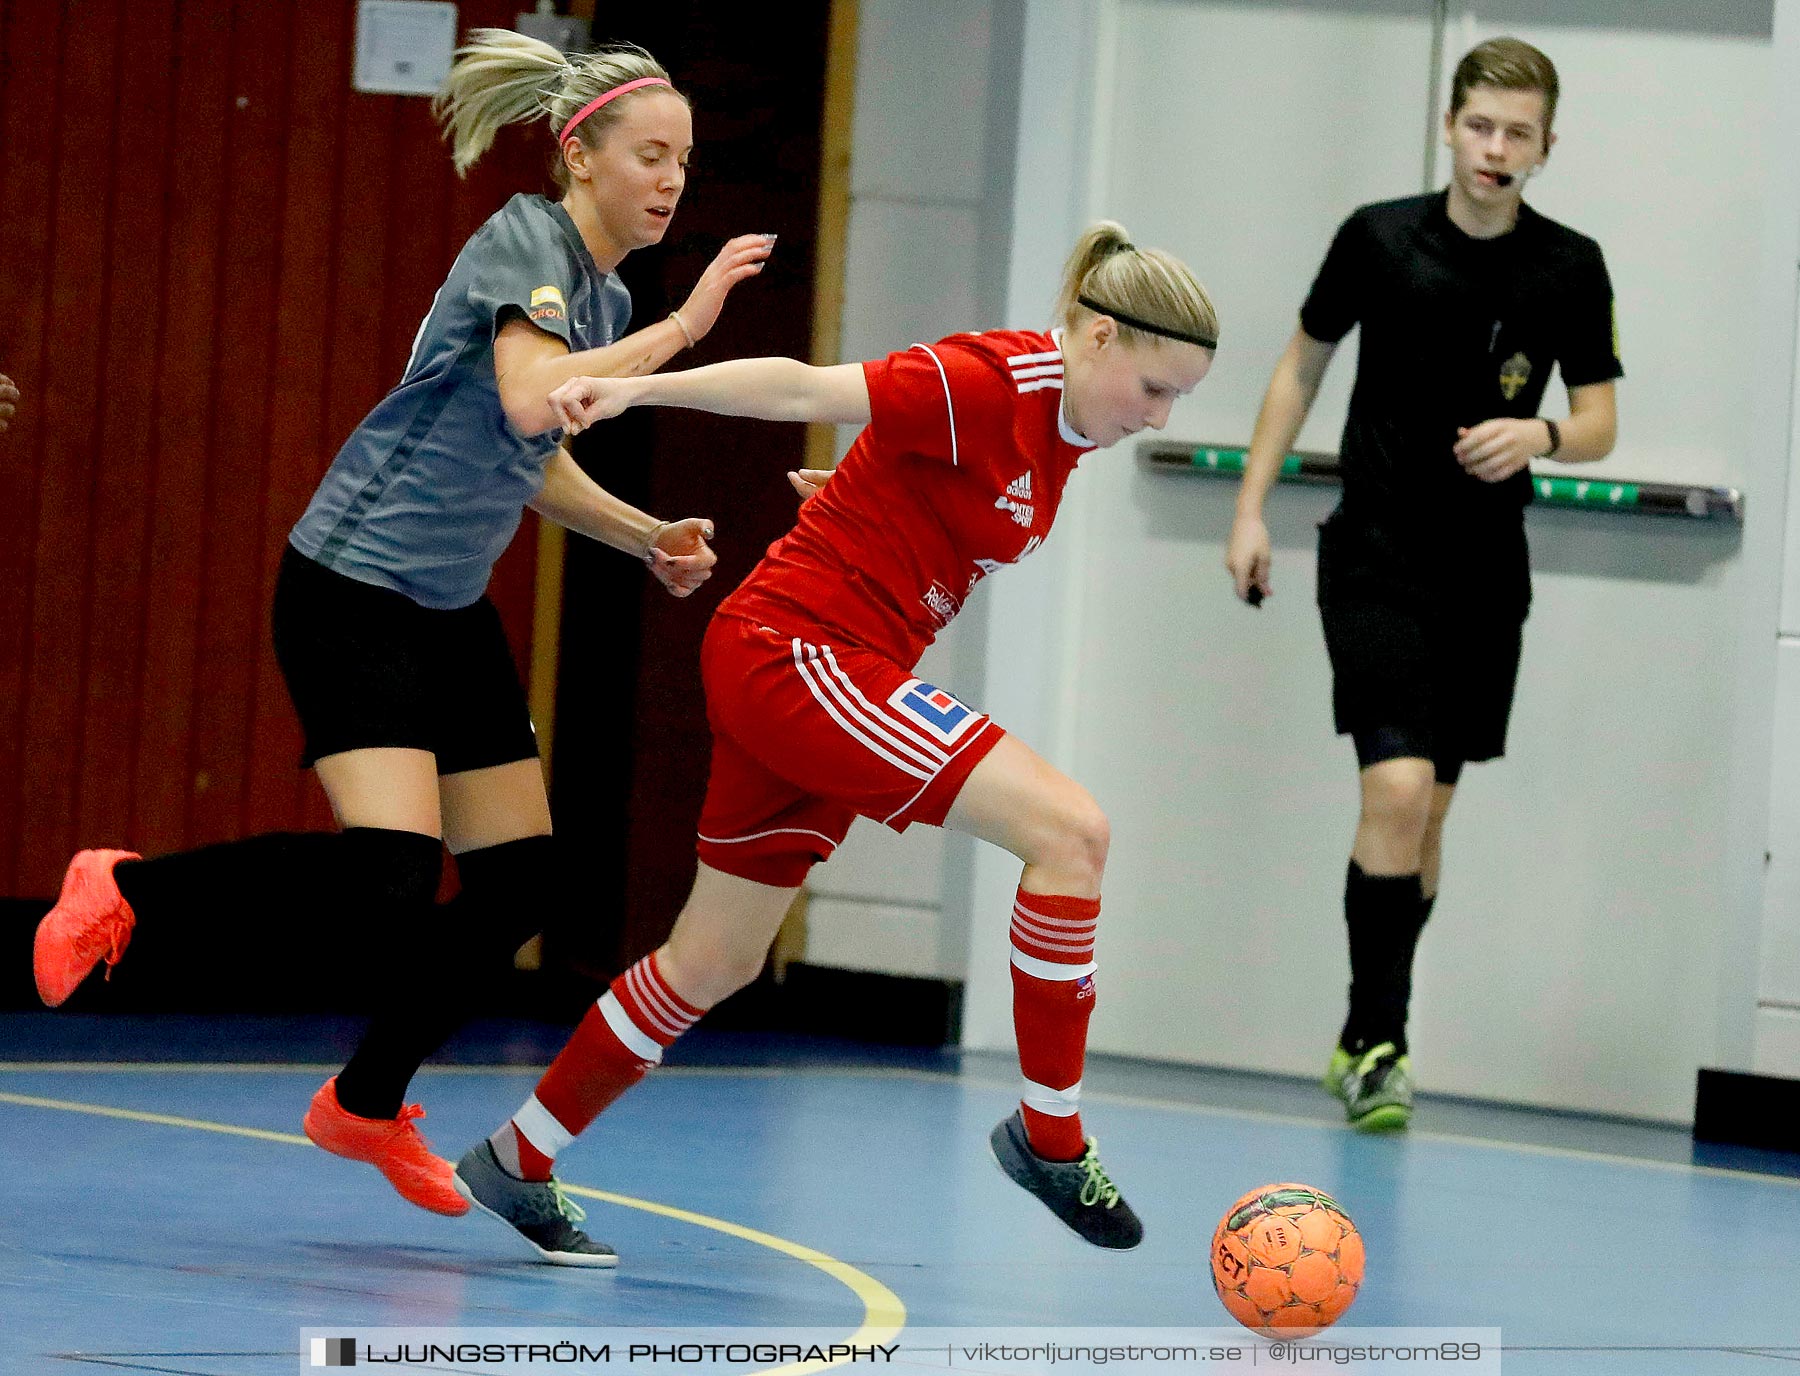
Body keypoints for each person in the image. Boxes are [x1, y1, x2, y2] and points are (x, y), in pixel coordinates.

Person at [32, 30, 773, 1216]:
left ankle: (363, 1106)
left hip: (444, 606)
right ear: (580, 155)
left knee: (519, 882)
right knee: (388, 872)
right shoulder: (528, 241)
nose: (672, 179)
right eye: (649, 155)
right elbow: (543, 395)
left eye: (684, 159)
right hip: (353, 586)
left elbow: (530, 453)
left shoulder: (604, 295)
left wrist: (645, 535)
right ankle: (125, 889)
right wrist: (683, 333)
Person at [437, 221, 1219, 1265]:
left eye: (1180, 400)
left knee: (712, 958)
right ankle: (1050, 1131)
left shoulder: (1068, 434)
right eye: (1156, 389)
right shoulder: (992, 378)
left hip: (823, 662)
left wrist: (855, 502)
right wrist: (637, 391)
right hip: (796, 653)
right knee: (1072, 833)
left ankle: (518, 1156)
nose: (1159, 416)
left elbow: (926, 503)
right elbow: (802, 387)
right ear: (1096, 336)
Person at [1224, 37, 1621, 1131]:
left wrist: (1539, 430)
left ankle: (1368, 1034)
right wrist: (1251, 507)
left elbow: (1598, 419)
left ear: (1547, 147)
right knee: (1394, 793)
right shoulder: (1377, 238)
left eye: (1520, 134)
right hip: (1375, 555)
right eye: (1481, 126)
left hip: (1488, 573)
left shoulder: (1569, 265)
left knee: (1428, 814)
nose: (1497, 149)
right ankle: (1379, 1035)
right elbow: (1299, 364)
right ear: (1450, 126)